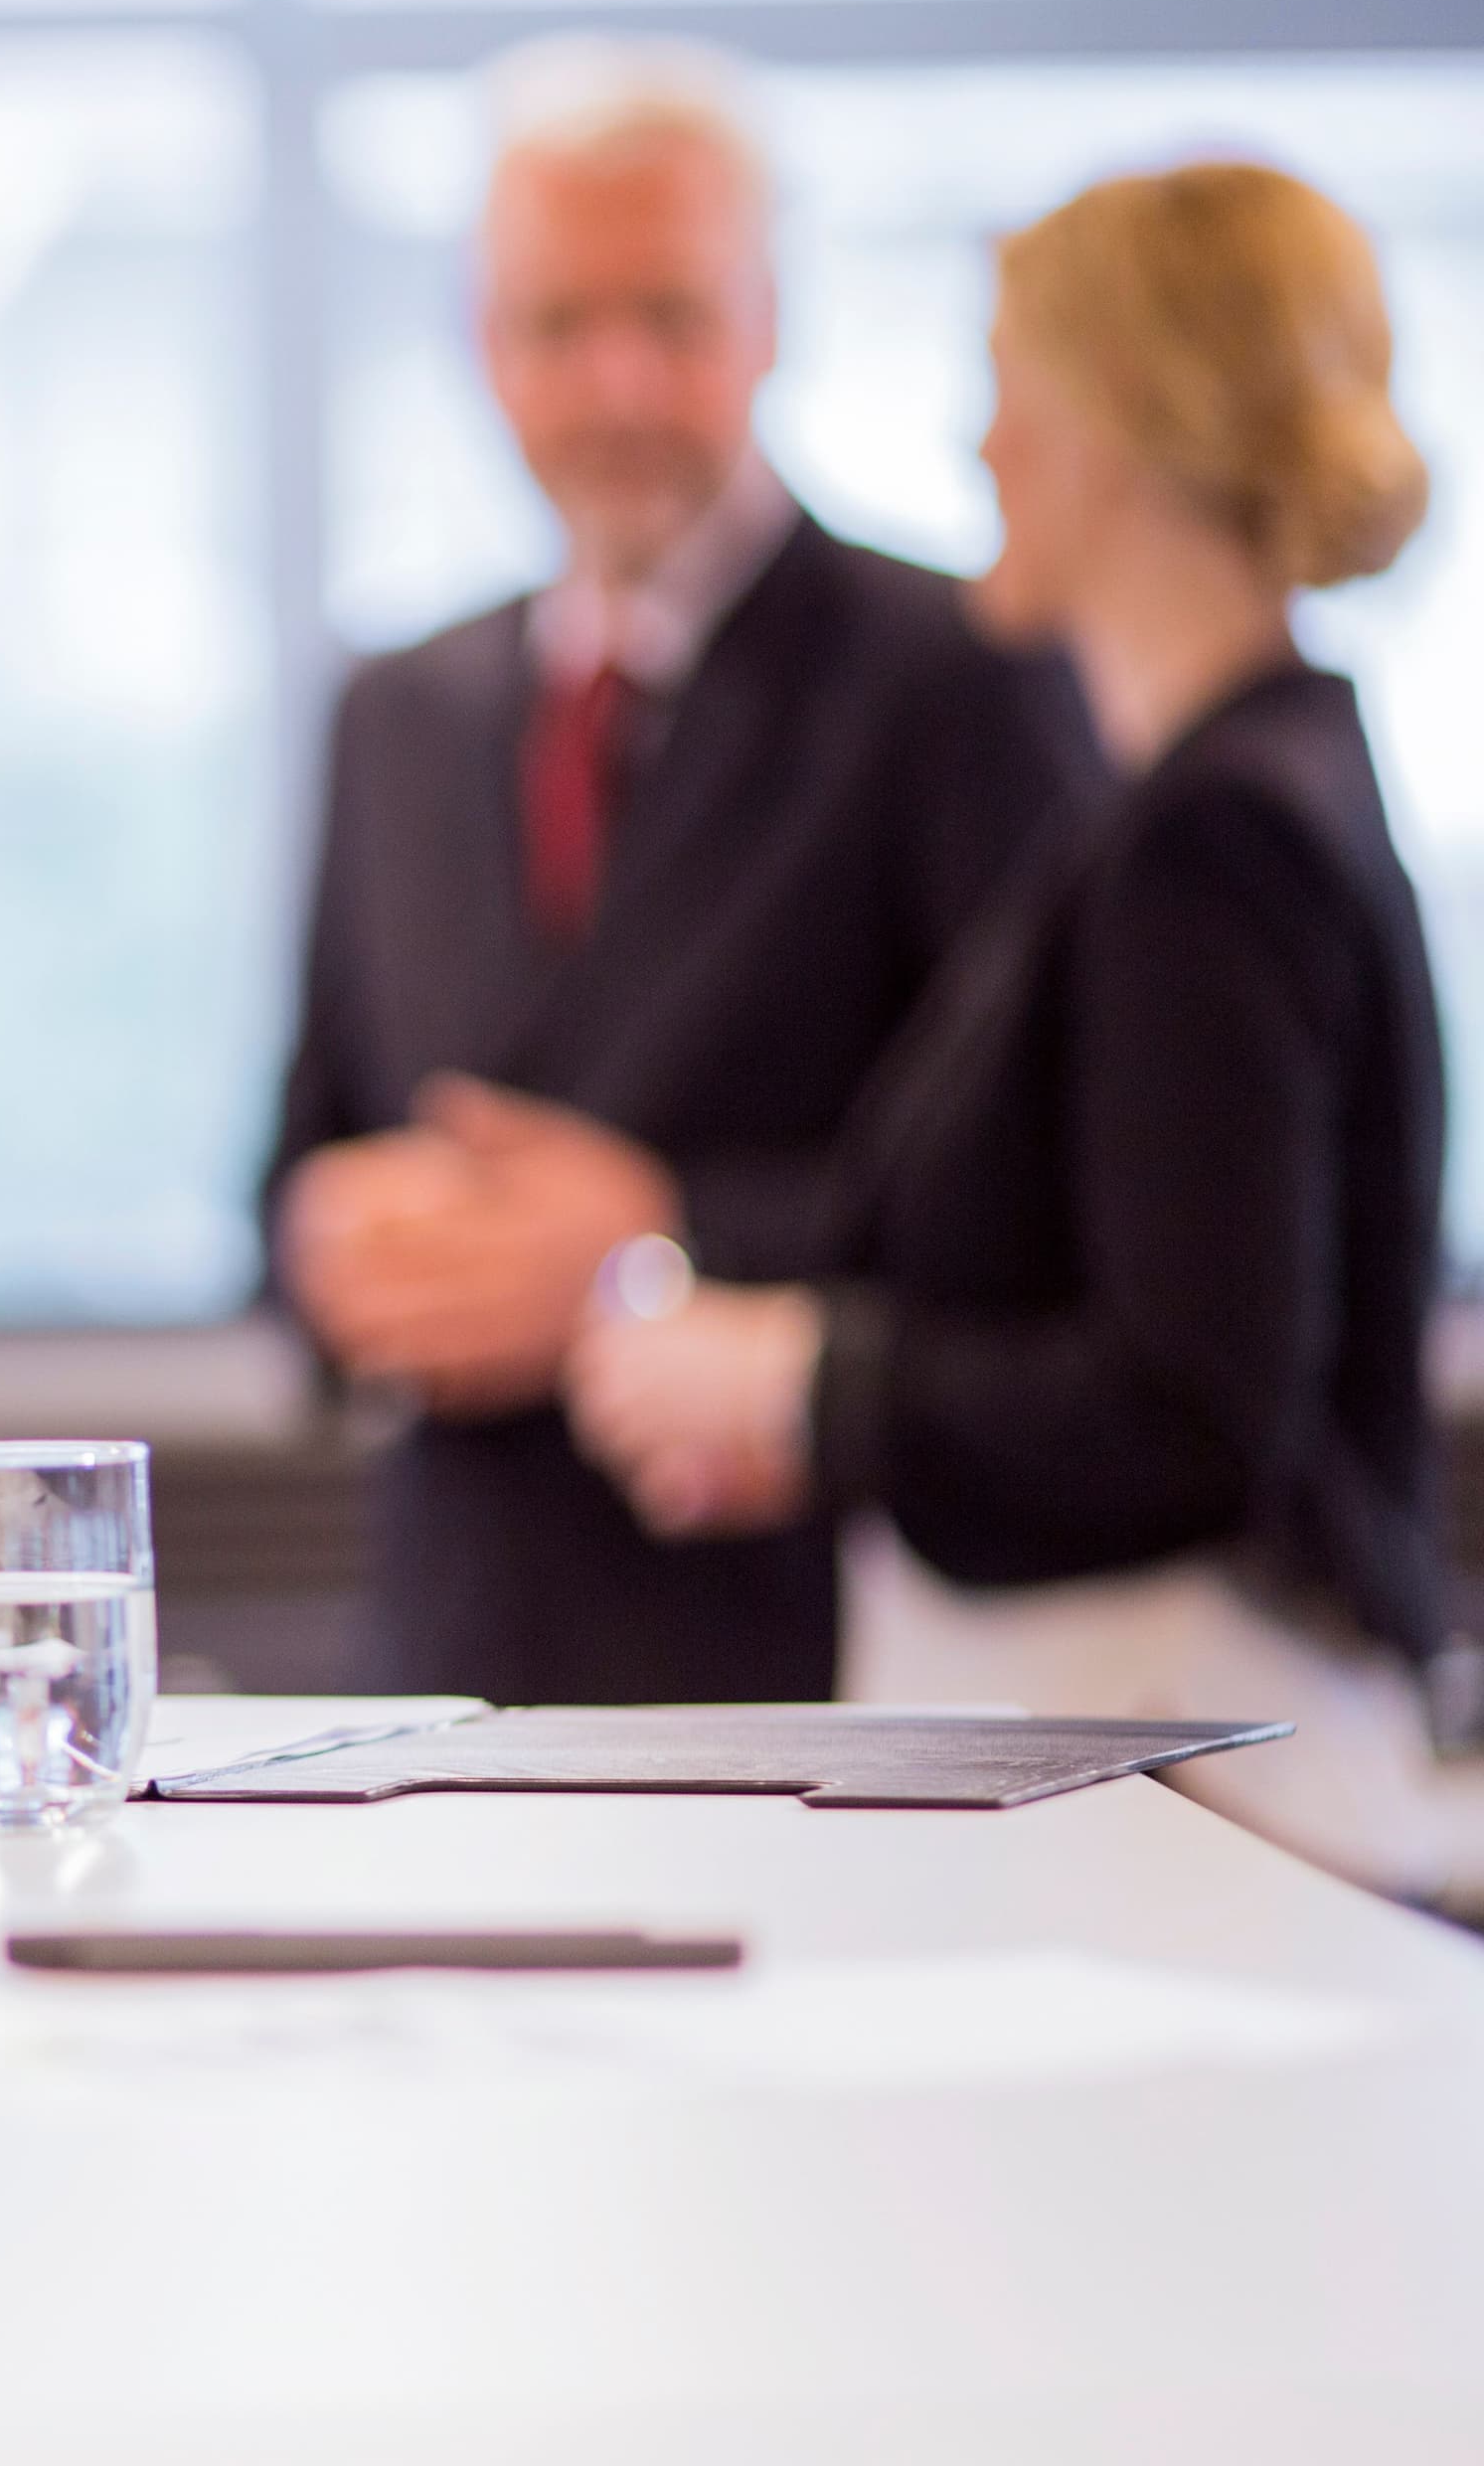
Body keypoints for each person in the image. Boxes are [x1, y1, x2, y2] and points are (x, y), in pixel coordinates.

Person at [570, 161, 1475, 1897]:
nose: (980, 448)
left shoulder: (1217, 842)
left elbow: (1194, 1402)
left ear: (1126, 425)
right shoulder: (1232, 790)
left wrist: (812, 1384)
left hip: (1189, 1805)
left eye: (1009, 388)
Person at [266, 42, 1099, 1707]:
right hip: (451, 1662)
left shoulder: (959, 676)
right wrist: (328, 1246)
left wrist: (655, 1244)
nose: (618, 386)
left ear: (771, 320)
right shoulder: (395, 714)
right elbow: (306, 1151)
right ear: (482, 349)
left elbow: (1055, 1208)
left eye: (673, 318)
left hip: (827, 1662)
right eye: (558, 328)